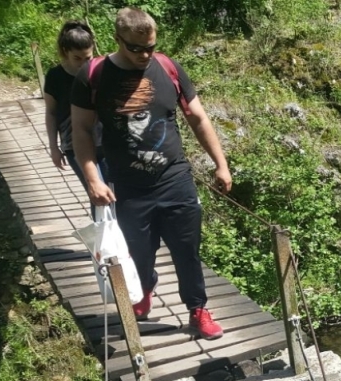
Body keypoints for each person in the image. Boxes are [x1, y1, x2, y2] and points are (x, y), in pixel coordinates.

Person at [71, 7, 230, 340]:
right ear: (118, 39)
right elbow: (82, 130)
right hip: (127, 186)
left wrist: (221, 163)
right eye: (136, 48)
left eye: (150, 47)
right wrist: (92, 179)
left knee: (187, 250)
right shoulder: (93, 75)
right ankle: (143, 289)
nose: (145, 55)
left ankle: (197, 309)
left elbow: (197, 118)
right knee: (137, 253)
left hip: (175, 179)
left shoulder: (168, 68)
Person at [43, 20, 109, 216]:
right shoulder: (55, 76)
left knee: (112, 192)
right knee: (97, 192)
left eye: (87, 57)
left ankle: (114, 242)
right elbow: (51, 112)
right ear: (65, 52)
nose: (83, 63)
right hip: (74, 145)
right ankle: (102, 243)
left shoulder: (99, 70)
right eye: (77, 58)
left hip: (105, 142)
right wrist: (54, 148)